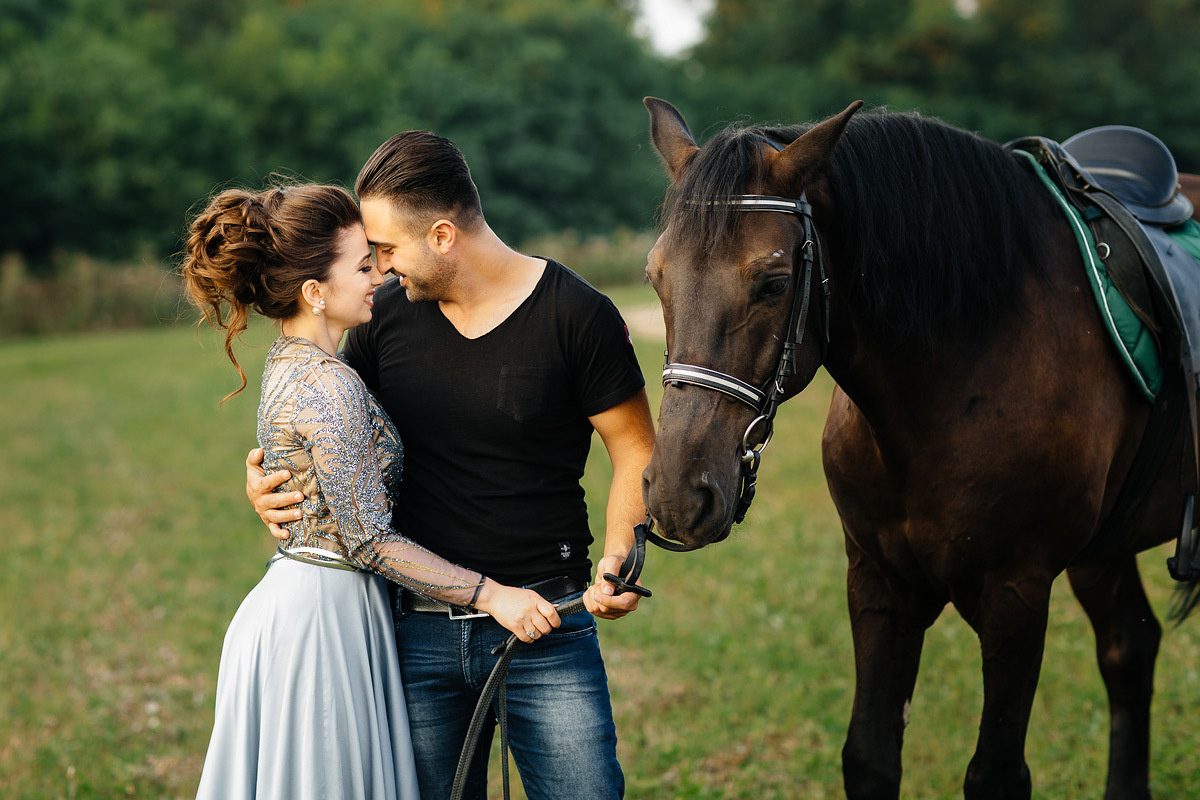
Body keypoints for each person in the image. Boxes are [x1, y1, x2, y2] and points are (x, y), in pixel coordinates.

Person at [246, 132, 656, 799]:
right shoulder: (382, 320)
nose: (377, 270)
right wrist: (264, 482)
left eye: (385, 250)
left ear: (441, 235)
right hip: (412, 633)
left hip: (547, 624)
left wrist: (622, 556)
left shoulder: (578, 316)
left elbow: (635, 445)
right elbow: (329, 435)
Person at [183, 183, 562, 800]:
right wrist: (492, 595)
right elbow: (368, 540)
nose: (379, 275)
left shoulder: (290, 362)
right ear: (314, 291)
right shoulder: (329, 386)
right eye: (362, 267)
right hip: (322, 620)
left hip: (315, 600)